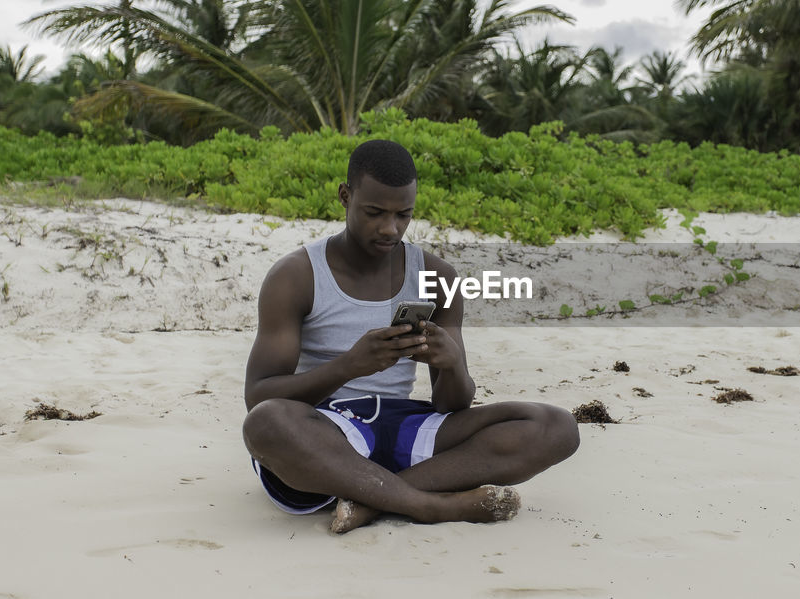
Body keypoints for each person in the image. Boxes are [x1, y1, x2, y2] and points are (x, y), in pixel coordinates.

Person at [242, 139, 579, 532]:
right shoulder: (296, 276)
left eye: (404, 215)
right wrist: (349, 366)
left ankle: (373, 500)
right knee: (267, 423)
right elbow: (259, 396)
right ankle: (428, 505)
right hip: (328, 427)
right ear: (345, 196)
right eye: (374, 213)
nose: (390, 228)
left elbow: (452, 404)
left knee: (556, 426)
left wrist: (451, 363)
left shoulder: (437, 277)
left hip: (406, 428)